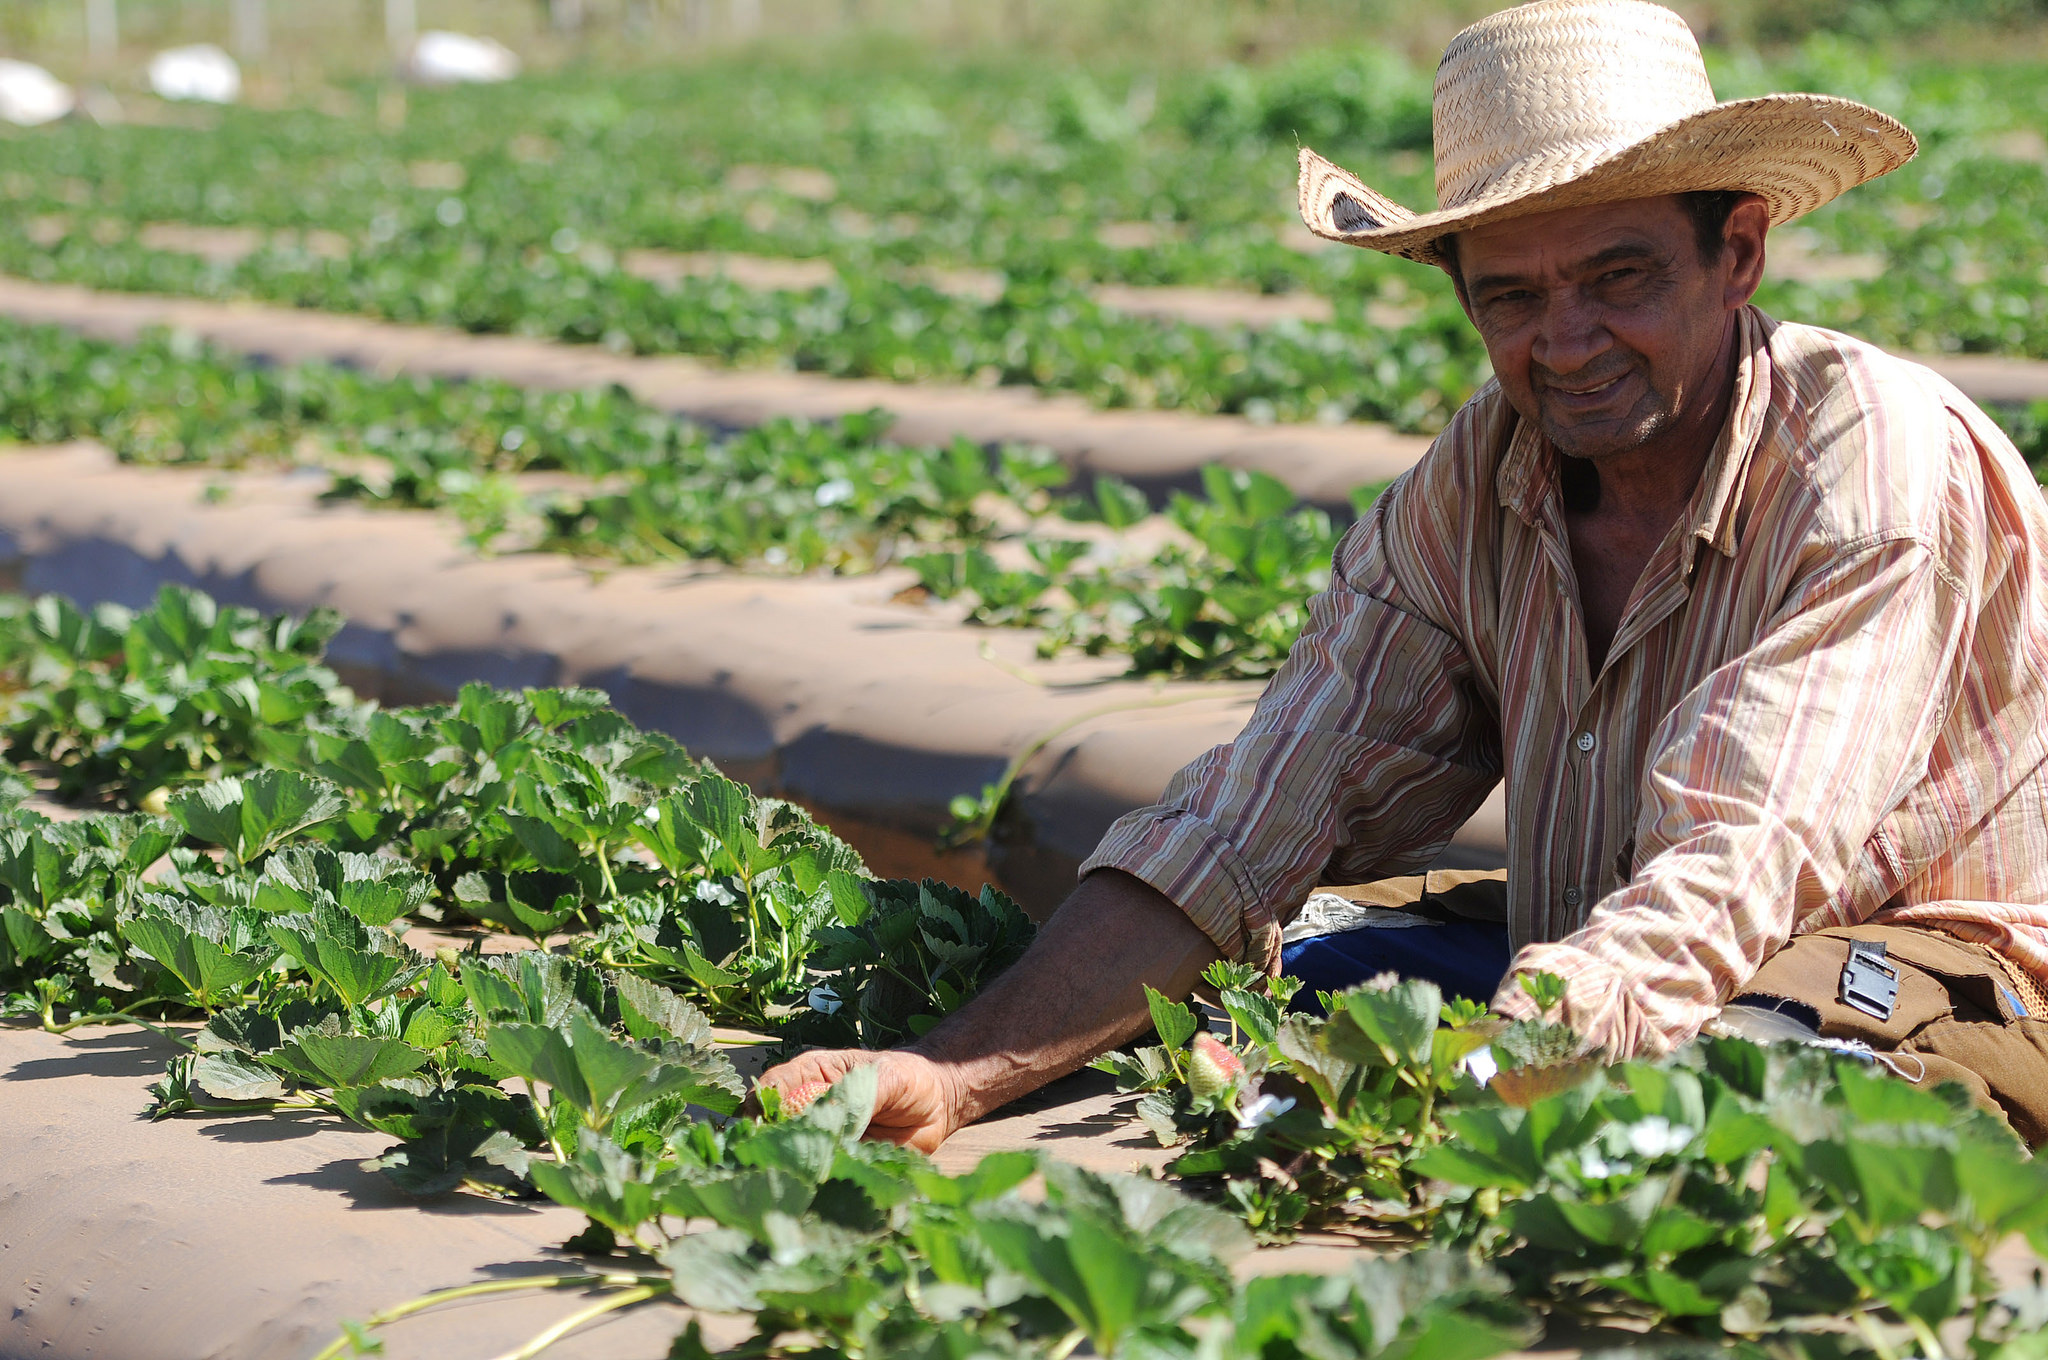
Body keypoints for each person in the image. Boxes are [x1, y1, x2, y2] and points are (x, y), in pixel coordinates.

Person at [763, 0, 2048, 1146]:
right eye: (1509, 297)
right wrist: (951, 1074)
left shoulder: (1867, 460)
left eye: (1618, 277)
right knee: (1251, 963)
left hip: (1903, 963)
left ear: (1739, 251)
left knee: (1747, 1094)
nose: (1566, 342)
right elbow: (1260, 808)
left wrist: (1462, 1072)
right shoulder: (1479, 481)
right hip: (1608, 945)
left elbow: (1744, 855)